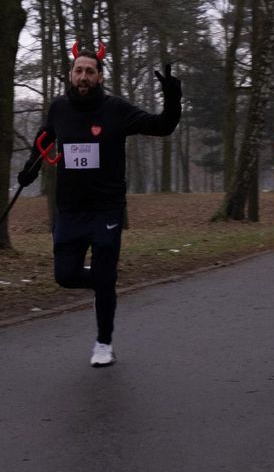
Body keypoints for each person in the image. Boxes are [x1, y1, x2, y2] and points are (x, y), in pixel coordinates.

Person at [17, 45, 182, 368]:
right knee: (65, 275)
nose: (83, 76)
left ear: (100, 76)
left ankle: (103, 342)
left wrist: (173, 98)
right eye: (79, 70)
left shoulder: (115, 110)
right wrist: (30, 171)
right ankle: (105, 278)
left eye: (90, 71)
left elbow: (163, 126)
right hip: (70, 208)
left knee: (104, 270)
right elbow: (44, 141)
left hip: (106, 207)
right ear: (70, 74)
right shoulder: (59, 109)